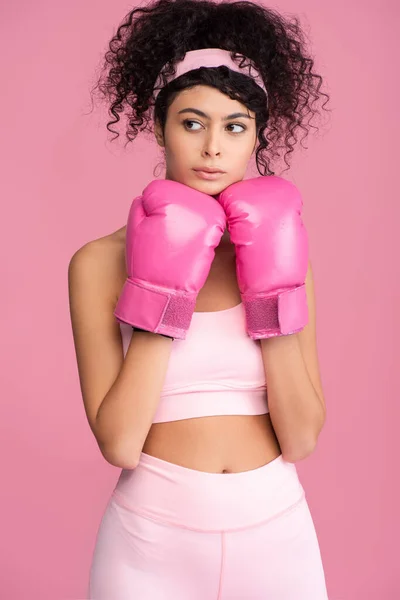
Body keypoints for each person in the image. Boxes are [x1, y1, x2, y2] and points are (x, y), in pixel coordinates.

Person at [68, 0, 331, 597]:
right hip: (149, 543)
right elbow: (118, 443)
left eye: (235, 126)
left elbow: (302, 438)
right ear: (160, 127)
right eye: (193, 122)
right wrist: (160, 290)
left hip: (276, 533)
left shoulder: (286, 253)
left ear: (257, 136)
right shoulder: (98, 263)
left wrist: (271, 291)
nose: (213, 147)